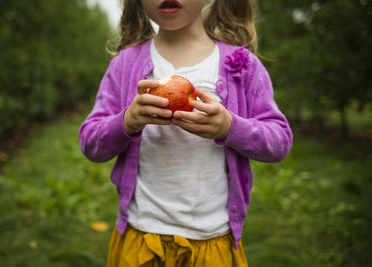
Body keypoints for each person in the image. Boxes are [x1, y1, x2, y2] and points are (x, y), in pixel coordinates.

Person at [79, 0, 293, 266]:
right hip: (142, 238)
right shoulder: (125, 64)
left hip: (212, 242)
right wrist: (127, 121)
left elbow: (280, 141)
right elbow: (90, 142)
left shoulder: (241, 65)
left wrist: (229, 127)